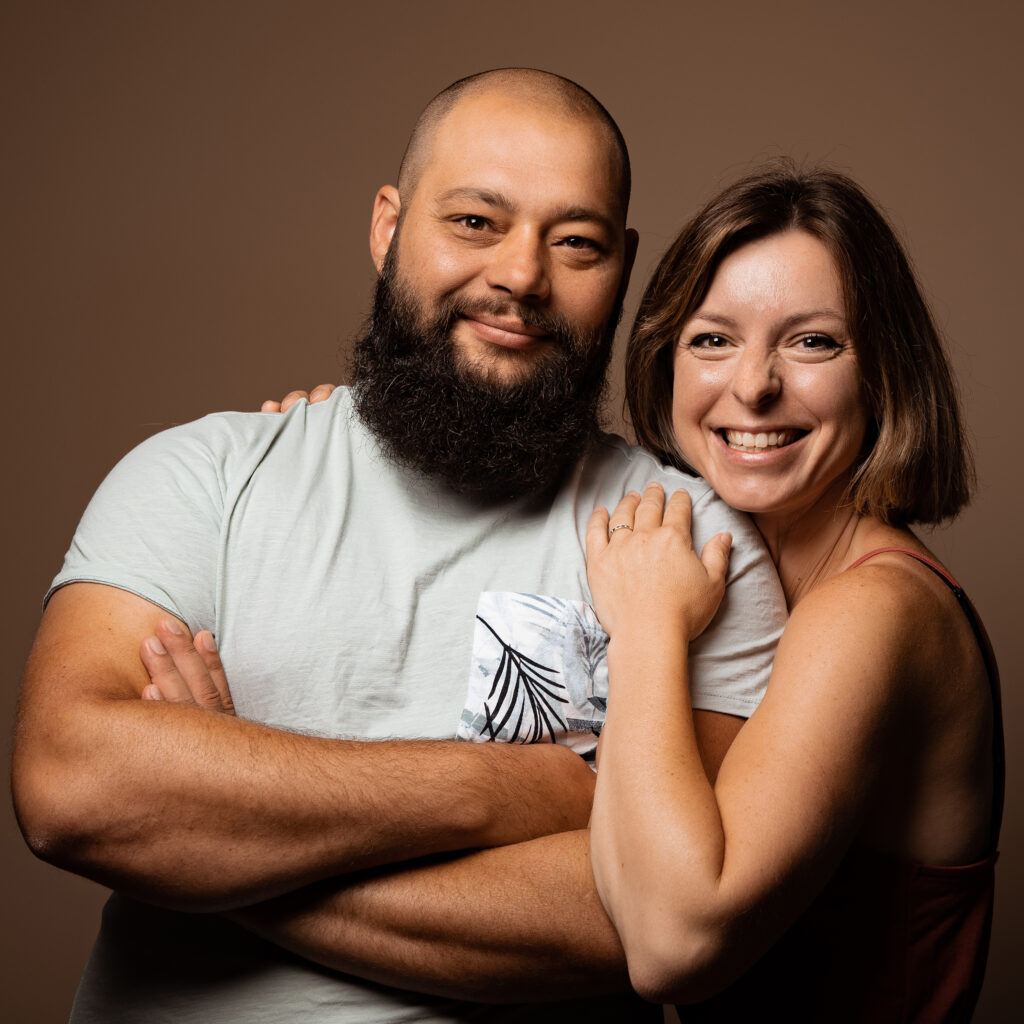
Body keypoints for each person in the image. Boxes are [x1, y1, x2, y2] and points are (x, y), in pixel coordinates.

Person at [12, 70, 786, 1022]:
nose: (519, 276)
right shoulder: (199, 478)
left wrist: (214, 843)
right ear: (388, 227)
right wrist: (513, 790)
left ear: (622, 265)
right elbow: (71, 787)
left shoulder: (691, 549)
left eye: (575, 241)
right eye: (474, 222)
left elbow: (627, 925)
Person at [585, 166, 1003, 1022]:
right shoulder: (723, 572)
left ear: (883, 371)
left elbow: (672, 947)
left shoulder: (873, 609)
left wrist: (650, 631)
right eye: (712, 340)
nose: (753, 387)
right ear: (666, 358)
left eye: (812, 342)